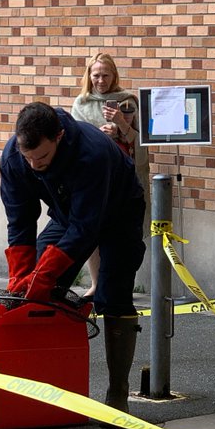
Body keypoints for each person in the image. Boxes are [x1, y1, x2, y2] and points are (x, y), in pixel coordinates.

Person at [0, 102, 146, 416]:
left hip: (119, 211)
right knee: (34, 289)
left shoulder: (90, 153)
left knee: (114, 294)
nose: (35, 165)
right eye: (28, 157)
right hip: (69, 215)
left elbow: (86, 228)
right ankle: (45, 384)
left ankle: (118, 394)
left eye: (42, 157)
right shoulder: (15, 157)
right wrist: (22, 278)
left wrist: (46, 274)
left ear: (60, 137)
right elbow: (20, 221)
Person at [70, 53, 150, 296]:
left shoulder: (127, 101)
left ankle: (118, 284)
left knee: (121, 231)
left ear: (114, 75)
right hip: (94, 176)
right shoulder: (81, 103)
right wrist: (99, 136)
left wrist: (120, 125)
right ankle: (95, 283)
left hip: (122, 176)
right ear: (89, 76)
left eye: (106, 75)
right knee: (92, 230)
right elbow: (76, 140)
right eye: (96, 75)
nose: (101, 80)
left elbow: (139, 140)